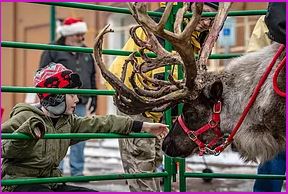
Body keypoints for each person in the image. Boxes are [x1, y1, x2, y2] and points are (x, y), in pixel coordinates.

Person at [1, 63, 169, 192]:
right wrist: (27, 132)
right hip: (20, 184)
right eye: (72, 95)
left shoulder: (68, 122)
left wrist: (143, 126)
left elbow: (102, 123)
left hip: (51, 183)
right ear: (56, 97)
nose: (77, 100)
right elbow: (4, 148)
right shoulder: (24, 116)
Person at [105, 2, 219, 191]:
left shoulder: (198, 35)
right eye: (204, 13)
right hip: (135, 95)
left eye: (212, 18)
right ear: (189, 6)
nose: (207, 21)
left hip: (161, 100)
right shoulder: (161, 23)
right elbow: (154, 68)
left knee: (156, 157)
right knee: (141, 156)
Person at [39, 17, 97, 177]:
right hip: (57, 102)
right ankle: (56, 170)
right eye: (78, 35)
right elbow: (42, 72)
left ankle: (77, 171)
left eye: (83, 35)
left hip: (80, 101)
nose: (82, 38)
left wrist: (95, 96)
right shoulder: (53, 49)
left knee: (79, 135)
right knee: (57, 136)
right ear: (68, 34)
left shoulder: (86, 51)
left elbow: (92, 75)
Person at [247, 2, 286, 192]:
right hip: (277, 99)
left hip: (276, 99)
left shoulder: (270, 19)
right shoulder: (268, 20)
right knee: (276, 154)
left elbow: (253, 59)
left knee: (276, 152)